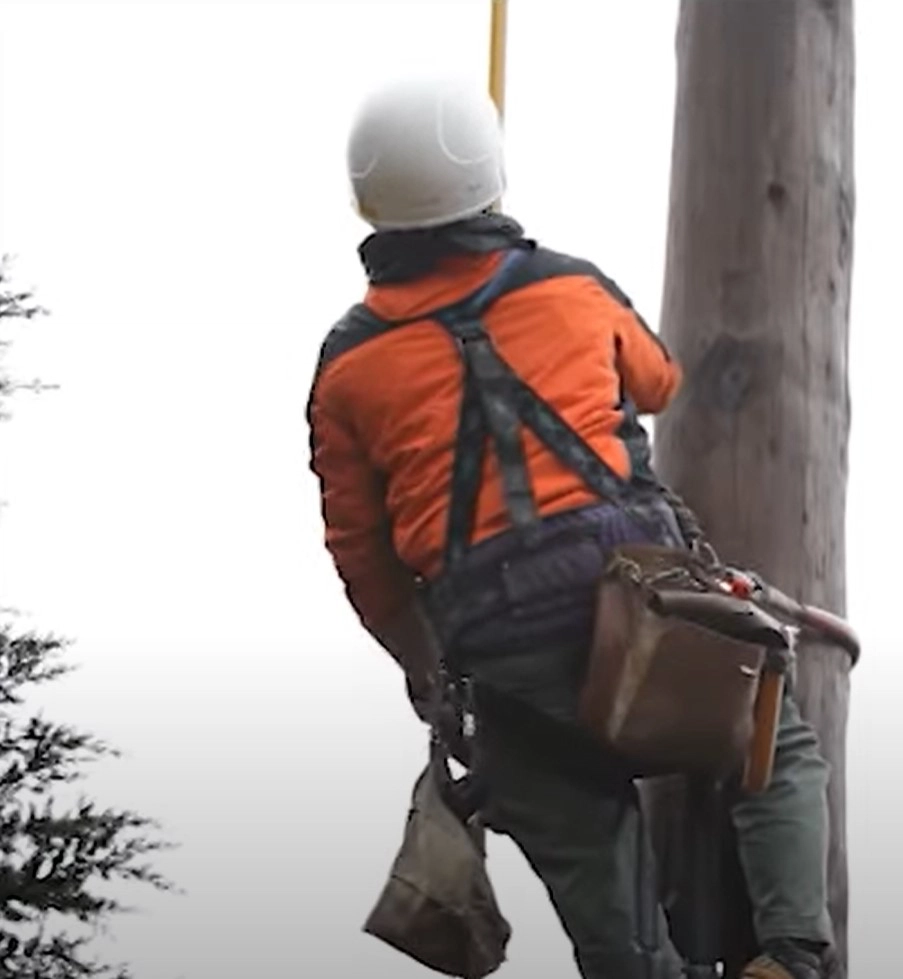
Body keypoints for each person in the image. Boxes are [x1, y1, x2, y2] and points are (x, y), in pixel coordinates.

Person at [305, 75, 834, 979]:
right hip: (633, 602)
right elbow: (658, 378)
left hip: (499, 649)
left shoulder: (348, 365)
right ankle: (790, 955)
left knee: (595, 861)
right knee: (773, 748)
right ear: (489, 177)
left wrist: (424, 666)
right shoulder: (568, 286)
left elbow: (364, 557)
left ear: (371, 205)